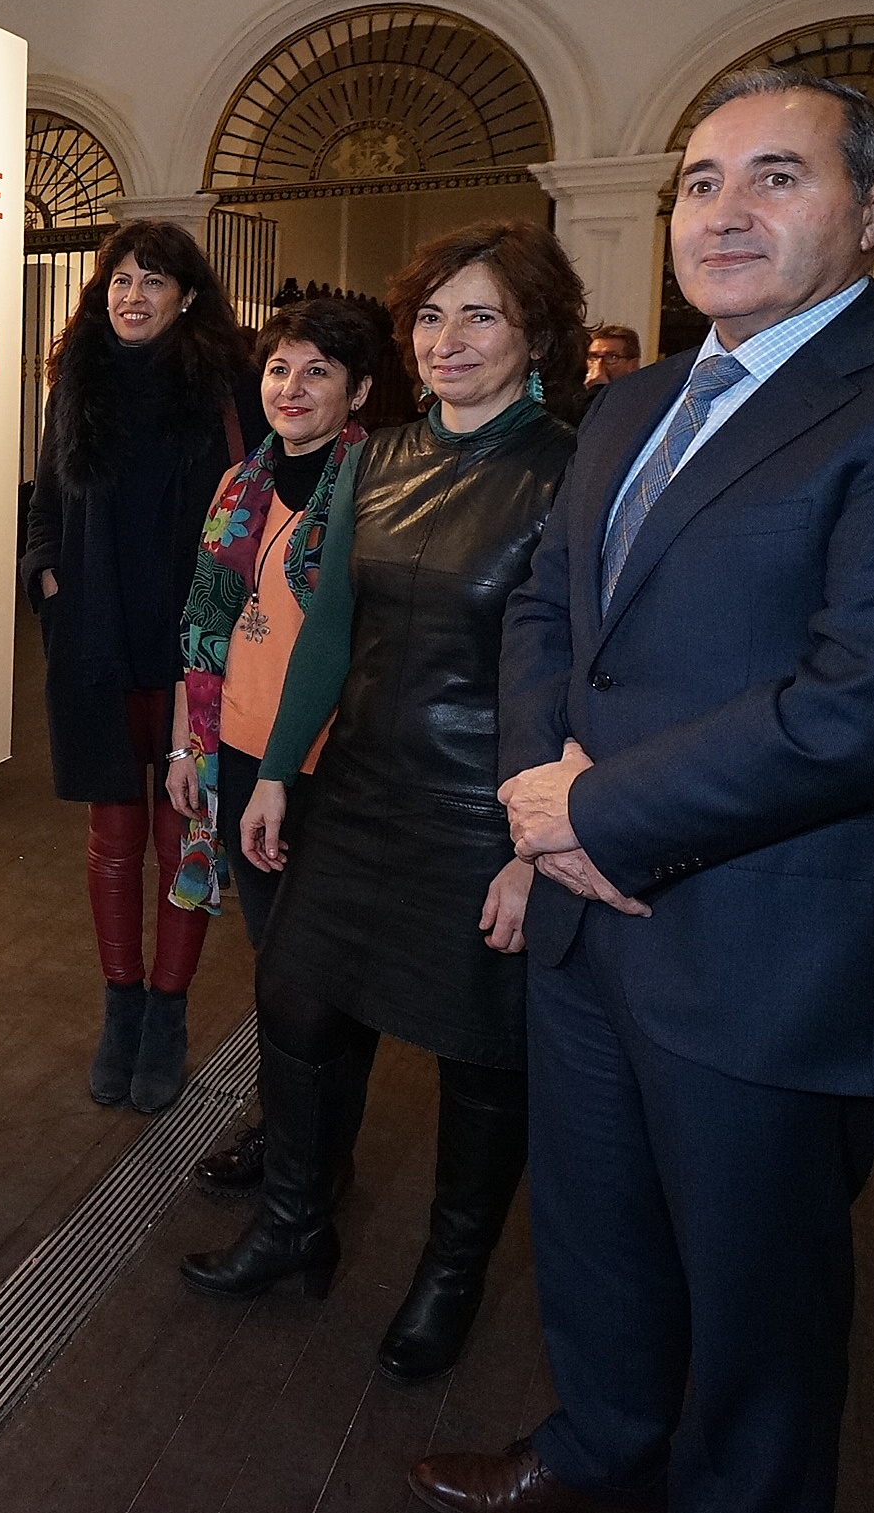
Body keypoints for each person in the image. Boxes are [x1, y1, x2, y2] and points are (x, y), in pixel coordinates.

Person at [414, 70, 874, 1513]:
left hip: (767, 936)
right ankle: (599, 1444)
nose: (724, 212)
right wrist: (536, 791)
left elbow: (869, 702)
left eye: (778, 176)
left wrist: (596, 813)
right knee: (592, 1228)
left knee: (758, 1292)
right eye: (701, 182)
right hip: (584, 922)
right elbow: (547, 608)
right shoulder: (632, 401)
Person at [182, 221, 585, 1397]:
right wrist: (272, 772)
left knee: (478, 1056)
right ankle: (294, 1223)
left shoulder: (569, 470)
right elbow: (329, 631)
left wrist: (535, 845)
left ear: (533, 335)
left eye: (478, 315)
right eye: (429, 316)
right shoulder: (382, 457)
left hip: (483, 808)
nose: (445, 340)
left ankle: (448, 1276)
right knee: (297, 1002)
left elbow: (582, 666)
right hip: (353, 787)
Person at [22, 221, 263, 1113]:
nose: (132, 296)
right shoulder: (77, 381)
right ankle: (121, 1004)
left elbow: (261, 510)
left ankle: (168, 1010)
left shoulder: (228, 387)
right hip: (98, 642)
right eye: (120, 279)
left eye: (152, 280)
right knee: (114, 840)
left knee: (185, 839)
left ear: (187, 295)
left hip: (193, 653)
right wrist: (48, 581)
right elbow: (45, 503)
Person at [164, 299, 376, 1195]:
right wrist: (187, 749)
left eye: (317, 370)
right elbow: (203, 622)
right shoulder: (239, 483)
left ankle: (315, 1150)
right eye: (280, 368)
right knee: (276, 958)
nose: (292, 387)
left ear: (358, 390)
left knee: (324, 968)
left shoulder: (375, 486)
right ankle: (288, 1130)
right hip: (239, 752)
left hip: (326, 765)